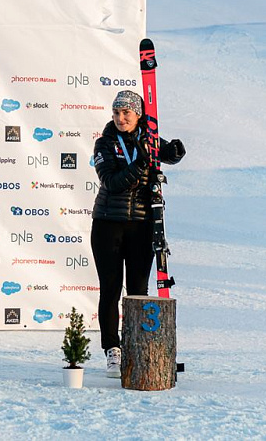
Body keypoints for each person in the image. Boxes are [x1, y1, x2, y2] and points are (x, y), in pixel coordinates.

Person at [90, 89, 185, 378]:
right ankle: (112, 351)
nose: (120, 118)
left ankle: (135, 345)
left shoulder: (150, 139)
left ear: (138, 114)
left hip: (143, 225)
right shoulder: (104, 143)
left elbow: (166, 155)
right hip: (108, 223)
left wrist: (175, 152)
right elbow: (112, 181)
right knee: (110, 289)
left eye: (126, 113)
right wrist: (141, 162)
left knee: (138, 291)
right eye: (116, 113)